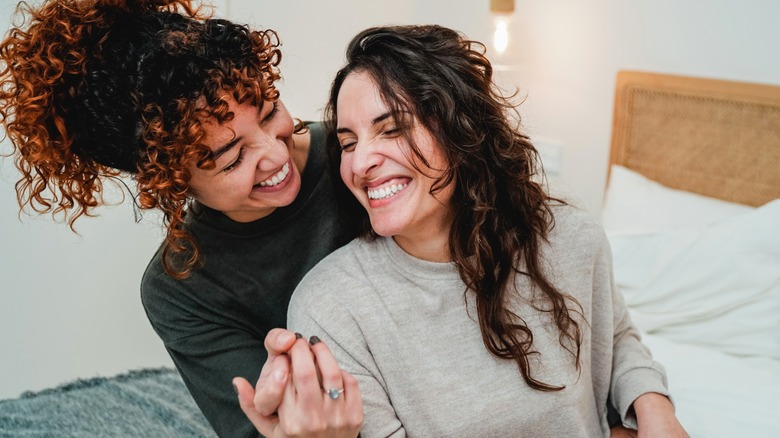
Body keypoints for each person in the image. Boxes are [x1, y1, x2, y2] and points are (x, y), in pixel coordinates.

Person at [273, 24, 689, 437]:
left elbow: (614, 337)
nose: (361, 162)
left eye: (393, 128)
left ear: (461, 129)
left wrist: (653, 405)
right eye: (348, 142)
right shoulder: (330, 310)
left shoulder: (570, 235)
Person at [0, 0, 360, 436]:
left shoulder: (358, 152)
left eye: (269, 113)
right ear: (171, 182)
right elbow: (257, 428)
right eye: (232, 158)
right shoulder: (180, 288)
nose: (275, 153)